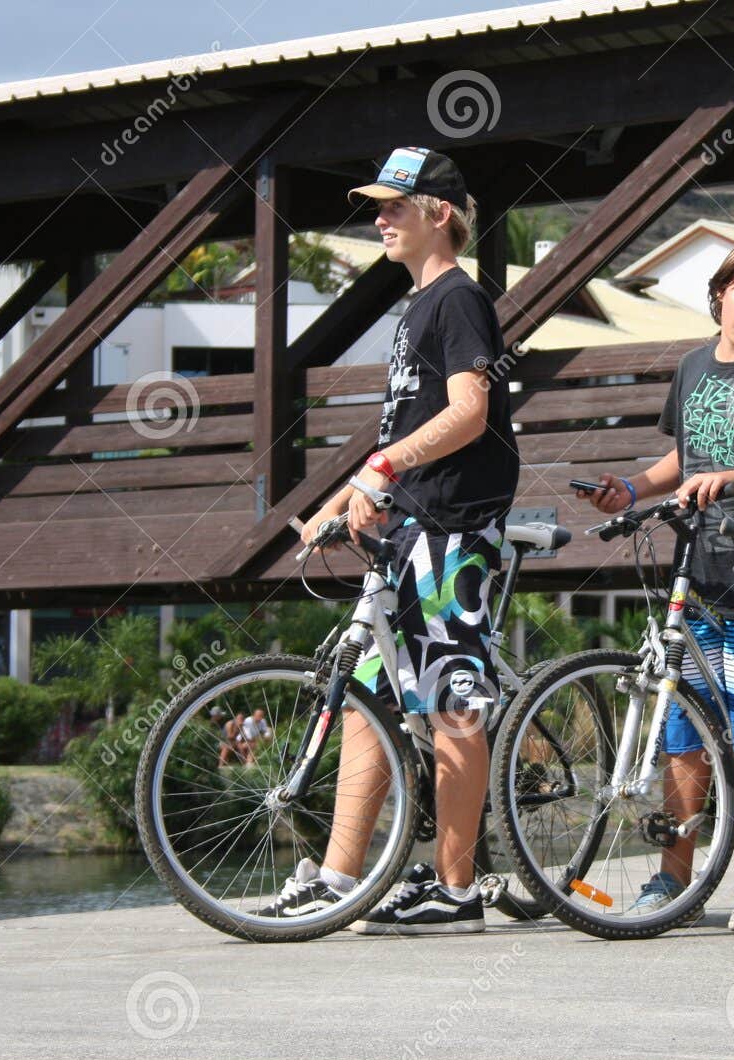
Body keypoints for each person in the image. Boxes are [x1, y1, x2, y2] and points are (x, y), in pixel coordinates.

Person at [260, 146, 519, 933]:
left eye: (394, 205)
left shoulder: (458, 298)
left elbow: (469, 412)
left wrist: (381, 470)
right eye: (377, 207)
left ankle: (458, 890)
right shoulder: (415, 308)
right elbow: (403, 430)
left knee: (451, 703)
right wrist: (342, 499)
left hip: (452, 527)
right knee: (365, 697)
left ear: (438, 213)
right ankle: (340, 878)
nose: (379, 219)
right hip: (409, 527)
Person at [581, 236, 734, 931]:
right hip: (696, 575)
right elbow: (684, 459)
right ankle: (674, 877)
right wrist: (631, 488)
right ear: (721, 293)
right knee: (681, 726)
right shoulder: (693, 367)